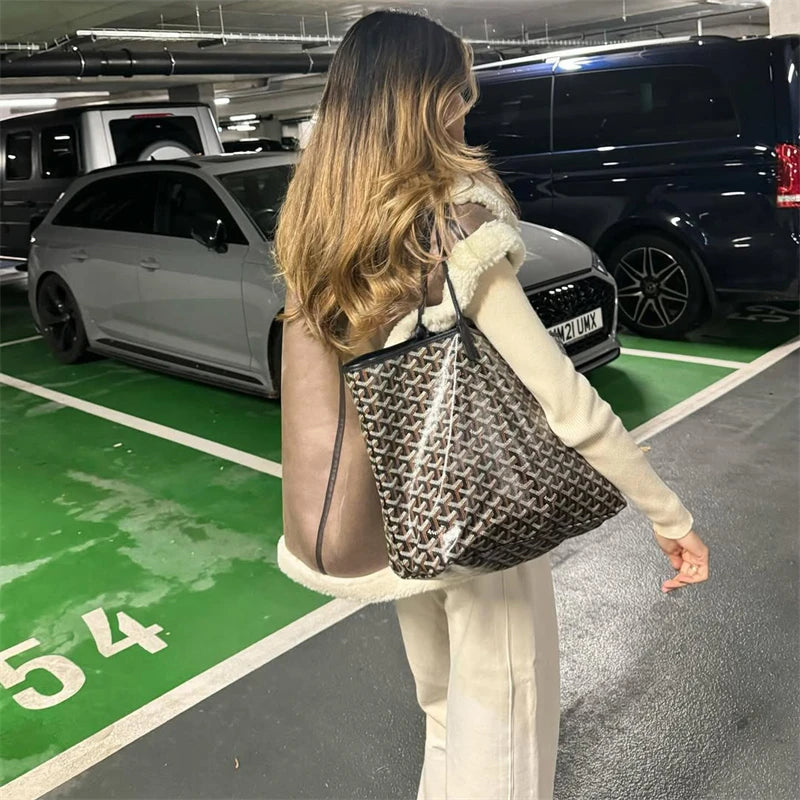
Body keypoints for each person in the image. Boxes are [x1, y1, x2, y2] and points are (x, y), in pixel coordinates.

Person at [274, 10, 710, 800]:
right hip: (482, 511)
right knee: (506, 736)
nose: (467, 104)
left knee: (444, 715)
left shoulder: (321, 226)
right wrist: (668, 515)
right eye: (458, 88)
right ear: (428, 100)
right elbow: (565, 400)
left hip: (404, 519)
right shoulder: (454, 227)